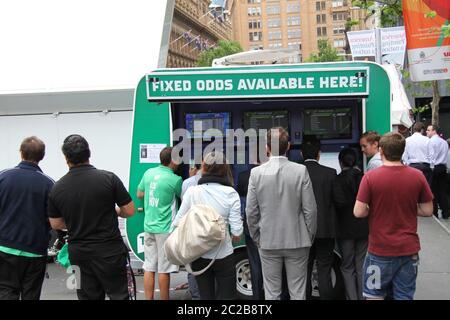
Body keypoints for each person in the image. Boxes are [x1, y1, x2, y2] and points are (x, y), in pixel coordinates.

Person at [48, 134, 135, 300]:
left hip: (79, 256)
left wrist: (75, 220)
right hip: (110, 252)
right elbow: (129, 211)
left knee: (86, 296)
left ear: (66, 158)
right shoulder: (109, 178)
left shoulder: (57, 188)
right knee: (120, 295)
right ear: (89, 153)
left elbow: (56, 224)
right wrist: (116, 212)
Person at [354, 132, 434, 300]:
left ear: (381, 151)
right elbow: (428, 211)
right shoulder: (417, 176)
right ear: (402, 151)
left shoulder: (370, 177)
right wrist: (409, 208)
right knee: (404, 295)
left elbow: (358, 211)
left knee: (374, 295)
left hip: (379, 250)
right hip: (408, 250)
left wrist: (374, 209)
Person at [246, 127, 317, 300]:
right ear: (289, 146)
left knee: (272, 292)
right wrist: (309, 235)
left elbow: (251, 211)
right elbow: (310, 209)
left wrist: (257, 237)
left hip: (268, 240)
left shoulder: (256, 173)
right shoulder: (300, 171)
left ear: (267, 148)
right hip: (298, 239)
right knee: (298, 292)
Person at [173, 151, 243, 300]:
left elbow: (177, 222)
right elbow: (237, 231)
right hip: (224, 254)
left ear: (203, 167)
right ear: (225, 169)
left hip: (199, 255)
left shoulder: (192, 192)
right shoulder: (231, 193)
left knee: (205, 297)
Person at [0, 136, 54, 300]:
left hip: (5, 247)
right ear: (42, 156)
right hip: (35, 251)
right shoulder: (49, 184)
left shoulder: (3, 177)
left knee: (6, 291)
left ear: (21, 153)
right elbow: (53, 219)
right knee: (31, 294)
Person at [137, 146, 182, 300]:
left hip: (148, 226)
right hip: (165, 229)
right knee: (164, 269)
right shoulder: (176, 179)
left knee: (149, 266)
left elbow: (140, 193)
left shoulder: (148, 173)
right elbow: (183, 196)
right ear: (173, 161)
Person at [302, 138, 337, 300]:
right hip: (325, 230)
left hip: (302, 231)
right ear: (319, 155)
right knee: (324, 269)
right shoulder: (330, 173)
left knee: (304, 270)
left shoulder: (296, 172)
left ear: (301, 153)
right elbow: (336, 200)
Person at [332, 148, 368, 300]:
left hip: (345, 231)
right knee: (361, 266)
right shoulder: (365, 178)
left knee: (347, 267)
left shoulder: (337, 180)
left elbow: (339, 203)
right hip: (364, 229)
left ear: (340, 163)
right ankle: (363, 296)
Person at [237, 163, 264, 300]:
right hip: (272, 226)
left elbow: (244, 199)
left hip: (252, 226)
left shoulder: (244, 176)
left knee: (255, 264)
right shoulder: (274, 172)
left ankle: (258, 298)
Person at [180, 163, 202, 300]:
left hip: (191, 228)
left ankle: (195, 295)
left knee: (192, 265)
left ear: (194, 168)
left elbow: (184, 205)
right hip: (209, 229)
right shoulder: (222, 182)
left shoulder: (187, 183)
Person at [426, 125, 449, 219]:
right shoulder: (444, 142)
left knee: (433, 191)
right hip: (443, 167)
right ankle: (445, 212)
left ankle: (434, 212)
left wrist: (431, 168)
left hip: (434, 168)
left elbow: (431, 156)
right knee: (443, 191)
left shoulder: (430, 142)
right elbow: (446, 157)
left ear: (434, 131)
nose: (426, 132)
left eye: (428, 130)